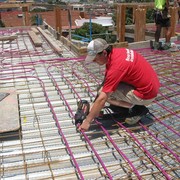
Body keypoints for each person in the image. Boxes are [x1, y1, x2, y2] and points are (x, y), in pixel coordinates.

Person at [78, 38, 160, 131]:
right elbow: (106, 81)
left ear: (104, 53)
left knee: (104, 94)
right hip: (150, 86)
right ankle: (128, 104)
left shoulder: (116, 67)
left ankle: (137, 109)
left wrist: (88, 121)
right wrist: (94, 106)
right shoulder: (117, 53)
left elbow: (102, 98)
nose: (94, 61)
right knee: (104, 89)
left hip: (146, 94)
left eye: (95, 59)